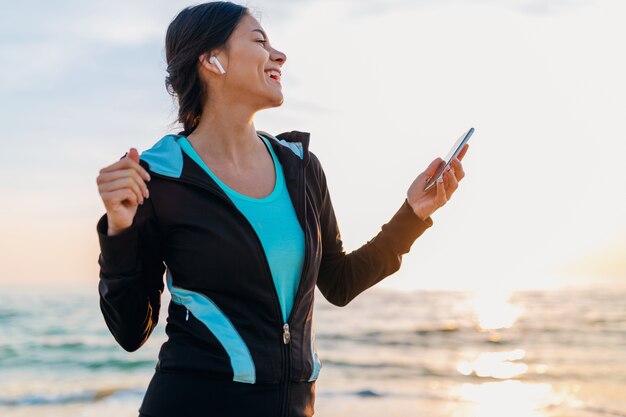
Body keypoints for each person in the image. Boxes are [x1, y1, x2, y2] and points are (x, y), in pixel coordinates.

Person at [95, 2, 468, 416]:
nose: (279, 55)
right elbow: (130, 329)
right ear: (211, 60)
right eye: (259, 41)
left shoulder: (301, 168)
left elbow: (339, 283)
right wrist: (120, 229)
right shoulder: (160, 176)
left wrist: (411, 216)